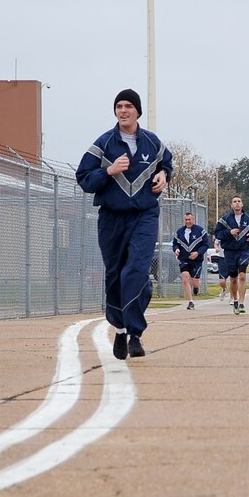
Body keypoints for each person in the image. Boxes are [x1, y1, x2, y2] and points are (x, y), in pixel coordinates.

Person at [76, 88, 172, 359]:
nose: (123, 110)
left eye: (129, 105)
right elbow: (84, 178)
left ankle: (136, 332)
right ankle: (120, 330)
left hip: (144, 215)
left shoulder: (152, 143)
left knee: (137, 271)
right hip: (111, 217)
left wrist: (164, 175)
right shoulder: (104, 144)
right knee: (116, 275)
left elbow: (167, 164)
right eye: (119, 106)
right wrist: (108, 170)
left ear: (138, 111)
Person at [213, 195, 249, 314]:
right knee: (233, 279)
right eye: (234, 202)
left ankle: (242, 303)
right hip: (230, 251)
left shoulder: (248, 219)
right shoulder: (225, 219)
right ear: (231, 205)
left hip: (243, 250)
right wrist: (229, 232)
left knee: (242, 275)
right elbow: (217, 233)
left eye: (239, 201)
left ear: (242, 204)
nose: (237, 203)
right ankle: (235, 300)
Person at [173, 212, 209, 310]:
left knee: (195, 281)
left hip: (197, 260)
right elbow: (175, 244)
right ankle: (190, 301)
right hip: (184, 258)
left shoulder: (200, 231)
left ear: (193, 220)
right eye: (186, 220)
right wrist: (176, 249)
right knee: (185, 278)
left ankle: (196, 288)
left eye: (189, 219)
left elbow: (206, 244)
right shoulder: (179, 232)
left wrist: (197, 253)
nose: (188, 221)